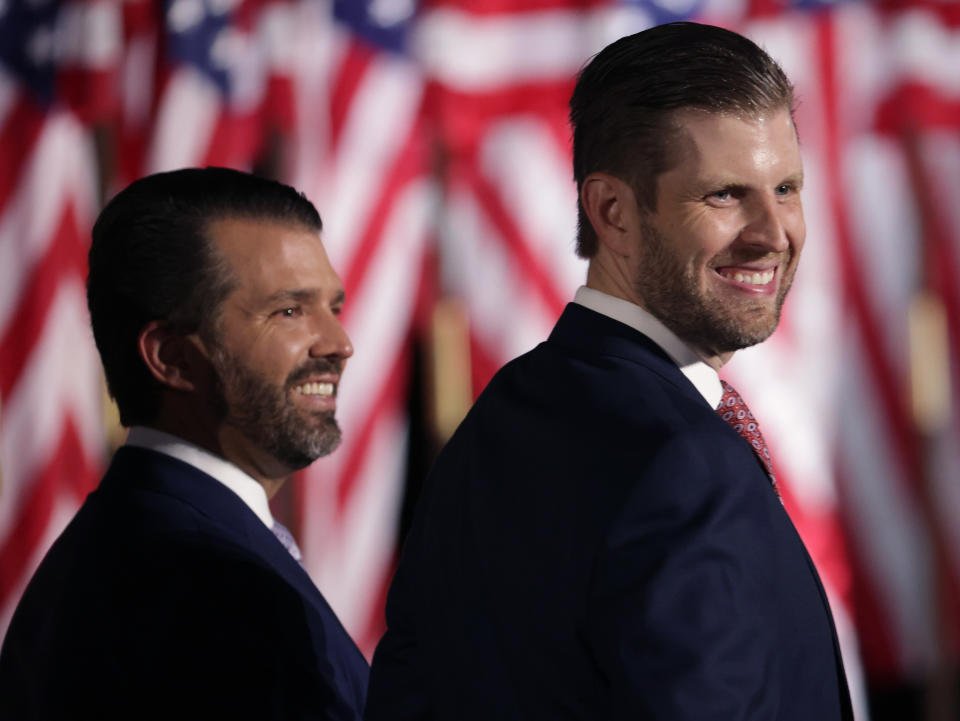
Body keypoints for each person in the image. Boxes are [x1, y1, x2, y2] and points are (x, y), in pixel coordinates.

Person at [365, 22, 853, 720]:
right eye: (724, 194)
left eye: (785, 187)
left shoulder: (502, 415)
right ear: (613, 212)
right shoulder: (686, 464)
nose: (773, 232)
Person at [0, 167, 368, 719]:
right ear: (171, 358)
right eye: (289, 310)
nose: (340, 343)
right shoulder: (209, 588)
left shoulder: (129, 546)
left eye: (332, 307)